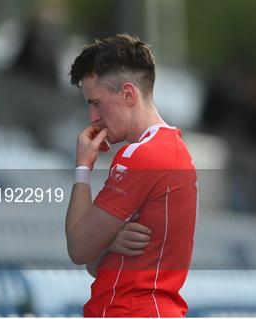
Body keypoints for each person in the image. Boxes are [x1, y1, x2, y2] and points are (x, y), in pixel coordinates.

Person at [65, 34, 198, 317]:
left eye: (97, 103)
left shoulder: (142, 156)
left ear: (128, 94)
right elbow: (93, 261)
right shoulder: (176, 149)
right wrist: (107, 242)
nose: (93, 117)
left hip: (127, 309)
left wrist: (83, 167)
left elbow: (79, 248)